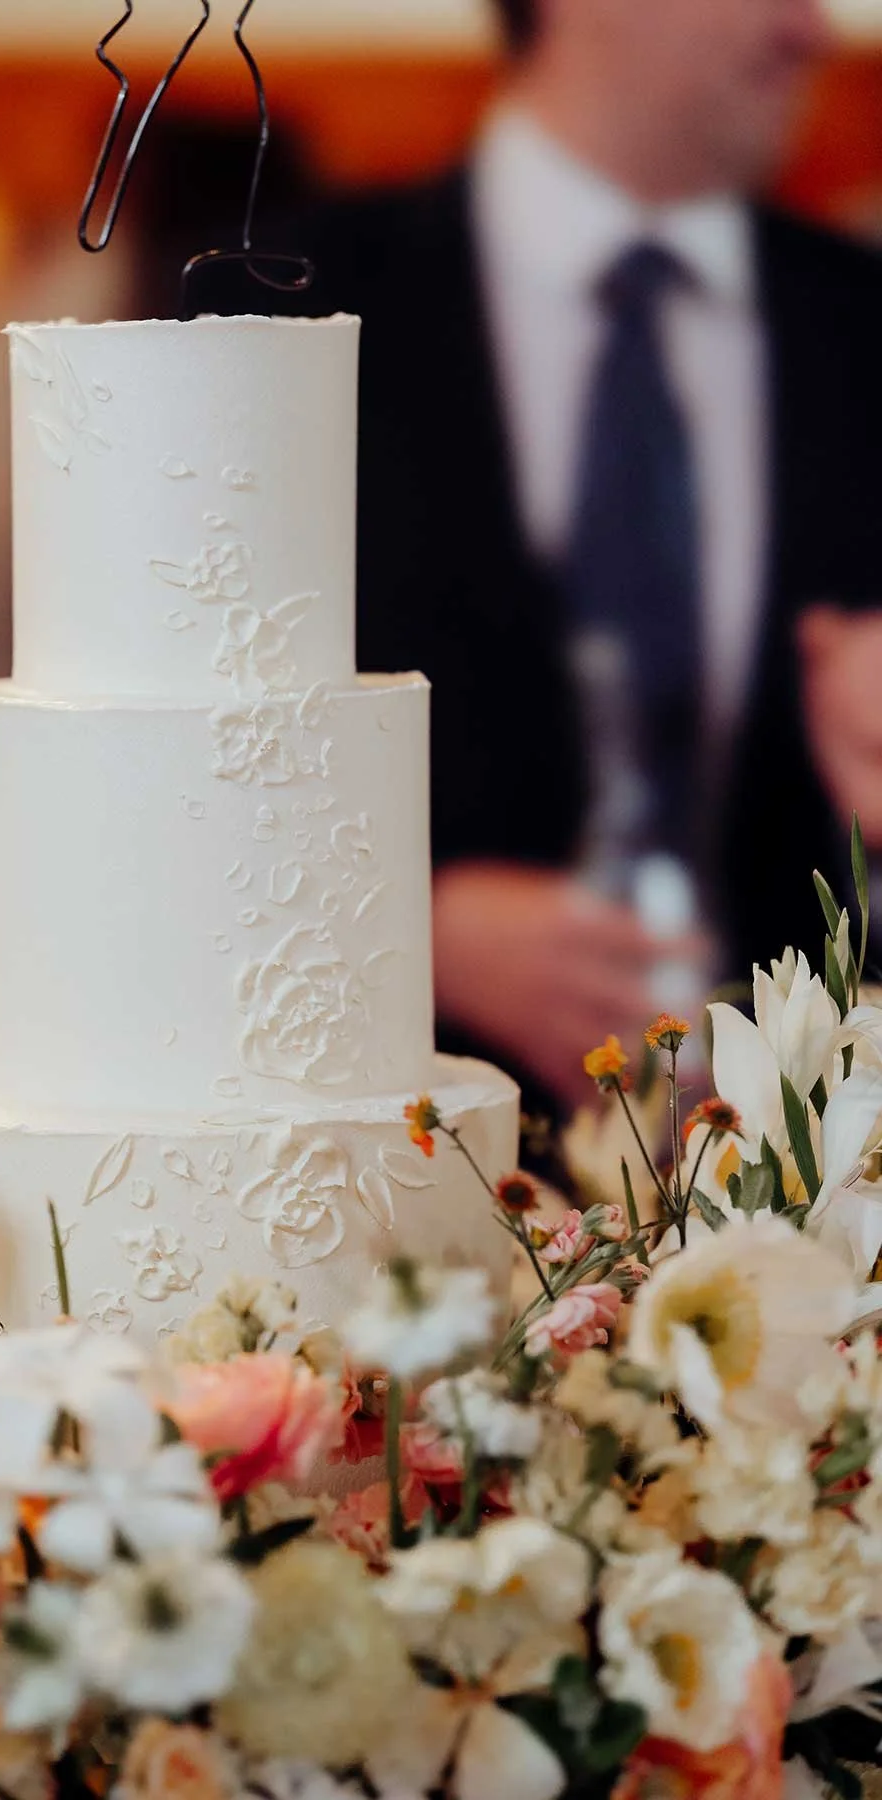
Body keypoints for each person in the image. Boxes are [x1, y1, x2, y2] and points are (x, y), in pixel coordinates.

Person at [206, 0, 882, 1112]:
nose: (815, 29)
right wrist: (402, 924)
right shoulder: (278, 309)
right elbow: (160, 788)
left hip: (816, 1230)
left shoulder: (870, 330)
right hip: (383, 1189)